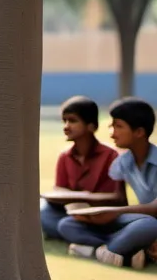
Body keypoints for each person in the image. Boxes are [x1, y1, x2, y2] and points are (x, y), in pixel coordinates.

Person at [58, 97, 157, 268]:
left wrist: (114, 212)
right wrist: (98, 215)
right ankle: (122, 252)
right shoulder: (122, 162)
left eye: (118, 126)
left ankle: (97, 251)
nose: (111, 133)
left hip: (151, 220)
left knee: (149, 225)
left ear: (139, 132)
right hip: (137, 218)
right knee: (67, 224)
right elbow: (120, 200)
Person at [41, 96, 122, 240]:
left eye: (72, 120)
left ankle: (86, 239)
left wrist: (82, 196)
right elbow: (59, 190)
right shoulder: (65, 156)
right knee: (41, 212)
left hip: (102, 216)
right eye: (64, 121)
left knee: (65, 225)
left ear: (92, 126)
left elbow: (116, 198)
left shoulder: (111, 156)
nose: (66, 126)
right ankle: (80, 237)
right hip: (72, 213)